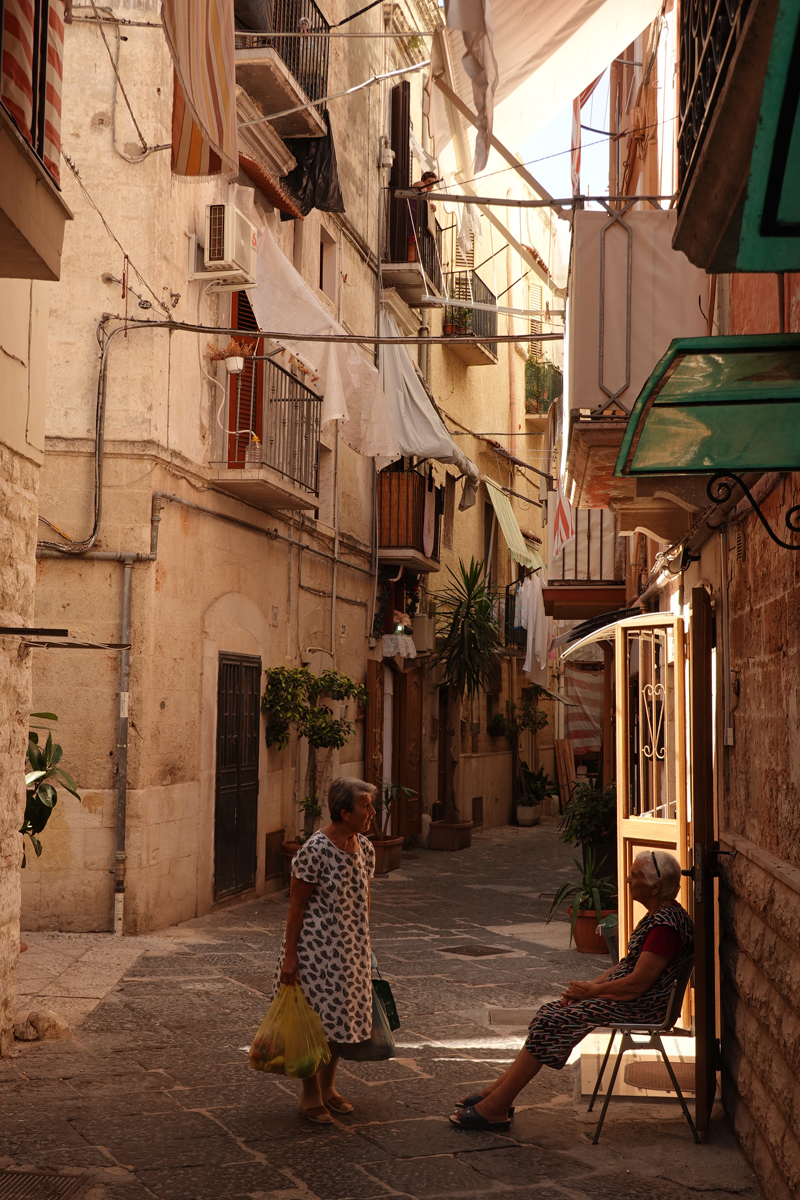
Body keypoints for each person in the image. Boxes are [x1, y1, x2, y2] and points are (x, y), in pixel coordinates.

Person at [450, 849, 694, 1130]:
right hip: (632, 998)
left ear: (654, 887)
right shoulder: (660, 915)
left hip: (642, 1005)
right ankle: (496, 1094)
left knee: (553, 1020)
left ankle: (496, 1106)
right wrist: (587, 988)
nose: (627, 879)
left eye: (634, 875)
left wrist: (591, 993)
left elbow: (636, 984)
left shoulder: (666, 926)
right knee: (549, 1014)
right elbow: (625, 966)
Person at [277, 777, 377, 1125]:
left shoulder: (364, 847)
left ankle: (329, 1088)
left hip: (350, 951)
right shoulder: (314, 851)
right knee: (314, 1024)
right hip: (315, 952)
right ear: (344, 812)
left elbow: (364, 897)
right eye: (366, 806)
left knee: (340, 1021)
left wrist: (365, 946)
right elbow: (296, 906)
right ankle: (310, 1093)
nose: (372, 812)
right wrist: (291, 958)